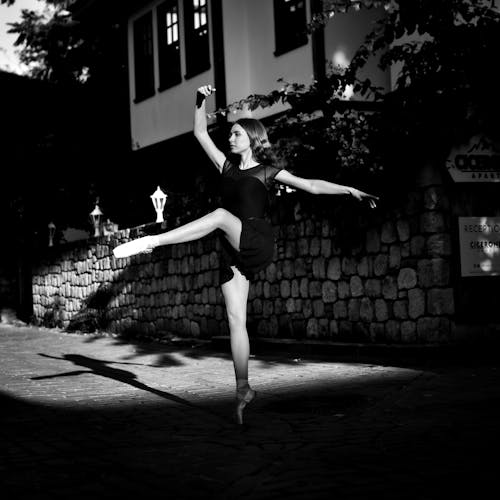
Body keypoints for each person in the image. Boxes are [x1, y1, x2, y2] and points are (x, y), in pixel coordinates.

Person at [113, 84, 379, 424]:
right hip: (232, 248)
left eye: (237, 134)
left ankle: (153, 241)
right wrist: (199, 100)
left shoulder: (268, 171)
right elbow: (199, 132)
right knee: (236, 320)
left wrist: (350, 189)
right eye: (231, 134)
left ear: (252, 137)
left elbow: (311, 185)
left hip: (255, 238)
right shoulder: (226, 168)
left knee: (222, 216)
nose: (231, 138)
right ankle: (243, 389)